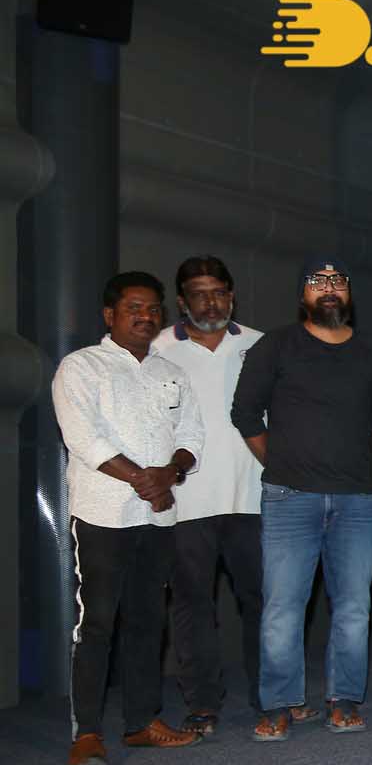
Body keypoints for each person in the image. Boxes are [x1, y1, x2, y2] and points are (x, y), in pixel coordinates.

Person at [231, 256, 372, 742]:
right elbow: (245, 413)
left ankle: (344, 700)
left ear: (349, 293)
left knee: (354, 608)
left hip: (356, 501)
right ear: (302, 294)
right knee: (283, 607)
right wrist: (283, 461)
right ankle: (279, 703)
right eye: (317, 281)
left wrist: (347, 455)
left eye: (337, 281)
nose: (328, 288)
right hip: (289, 498)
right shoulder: (275, 345)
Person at [56, 272, 205, 765]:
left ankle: (142, 723)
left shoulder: (171, 372)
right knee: (97, 624)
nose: (145, 316)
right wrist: (146, 480)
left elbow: (192, 435)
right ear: (110, 315)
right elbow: (85, 437)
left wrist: (171, 472)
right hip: (102, 515)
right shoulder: (81, 367)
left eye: (153, 309)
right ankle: (87, 732)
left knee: (147, 621)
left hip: (158, 519)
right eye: (133, 308)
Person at [150, 256, 263, 736]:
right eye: (199, 294)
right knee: (192, 605)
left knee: (264, 601)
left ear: (231, 296)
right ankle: (202, 703)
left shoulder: (259, 344)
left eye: (218, 293)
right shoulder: (156, 349)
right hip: (186, 502)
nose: (210, 303)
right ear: (182, 301)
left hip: (254, 497)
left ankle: (272, 696)